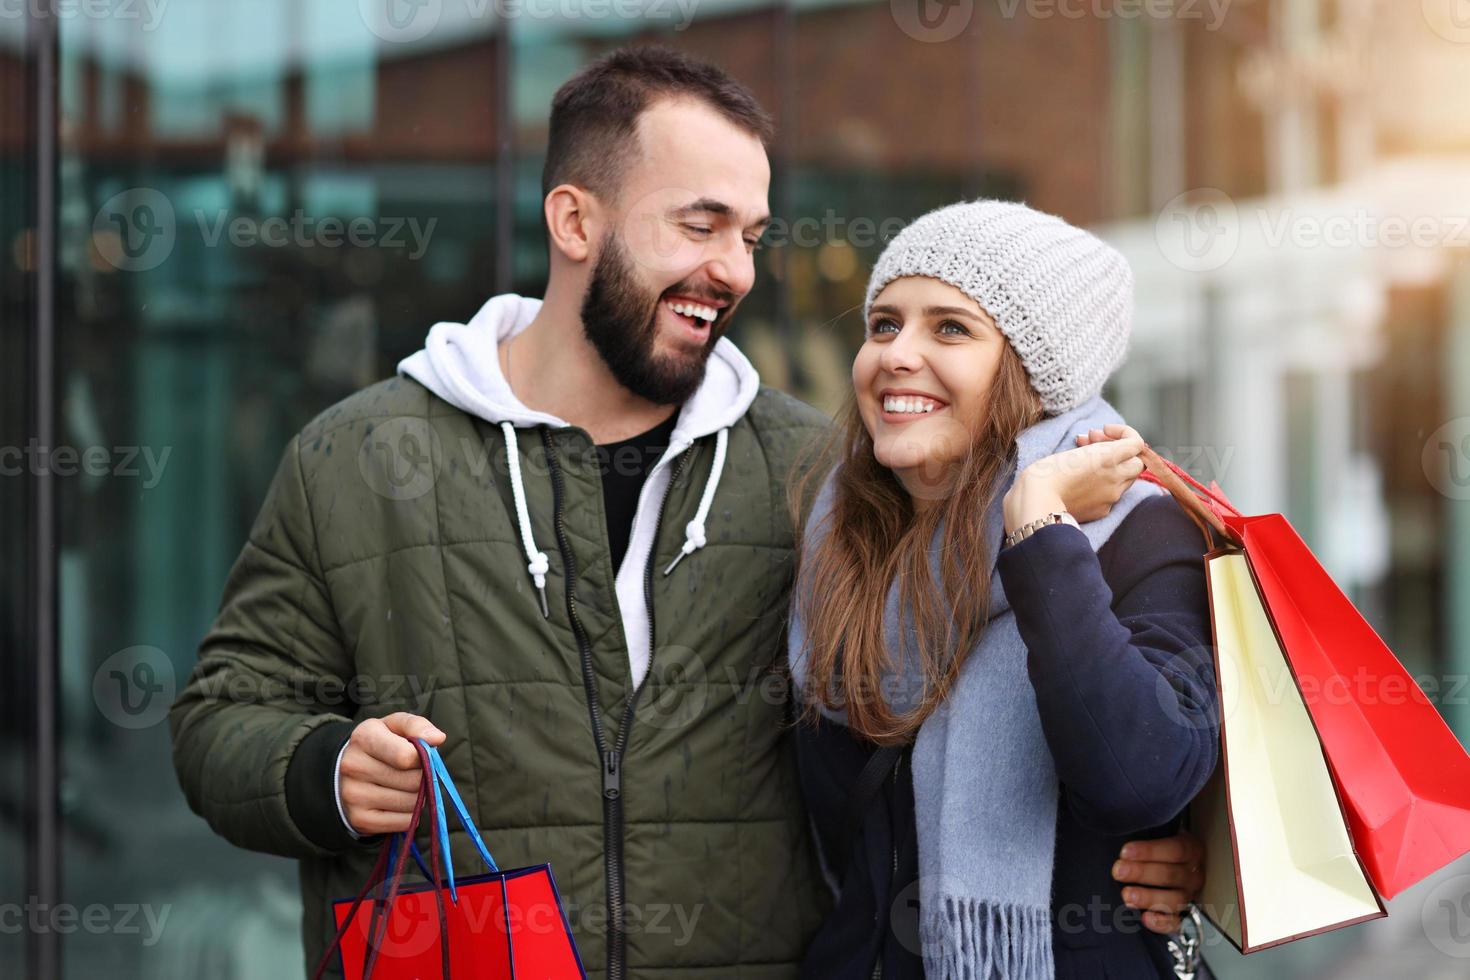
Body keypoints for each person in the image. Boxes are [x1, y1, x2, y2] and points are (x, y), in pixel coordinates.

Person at [168, 48, 1206, 980]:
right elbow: (221, 717)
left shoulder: (821, 472)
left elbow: (969, 730)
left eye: (750, 234)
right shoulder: (357, 457)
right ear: (576, 220)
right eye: (699, 224)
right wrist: (321, 770)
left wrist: (1140, 863)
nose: (735, 269)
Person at [789, 200, 1219, 979]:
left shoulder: (1137, 533)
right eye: (884, 324)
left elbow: (1141, 777)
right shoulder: (836, 539)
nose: (895, 353)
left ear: (1030, 368)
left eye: (949, 328)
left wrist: (1039, 532)